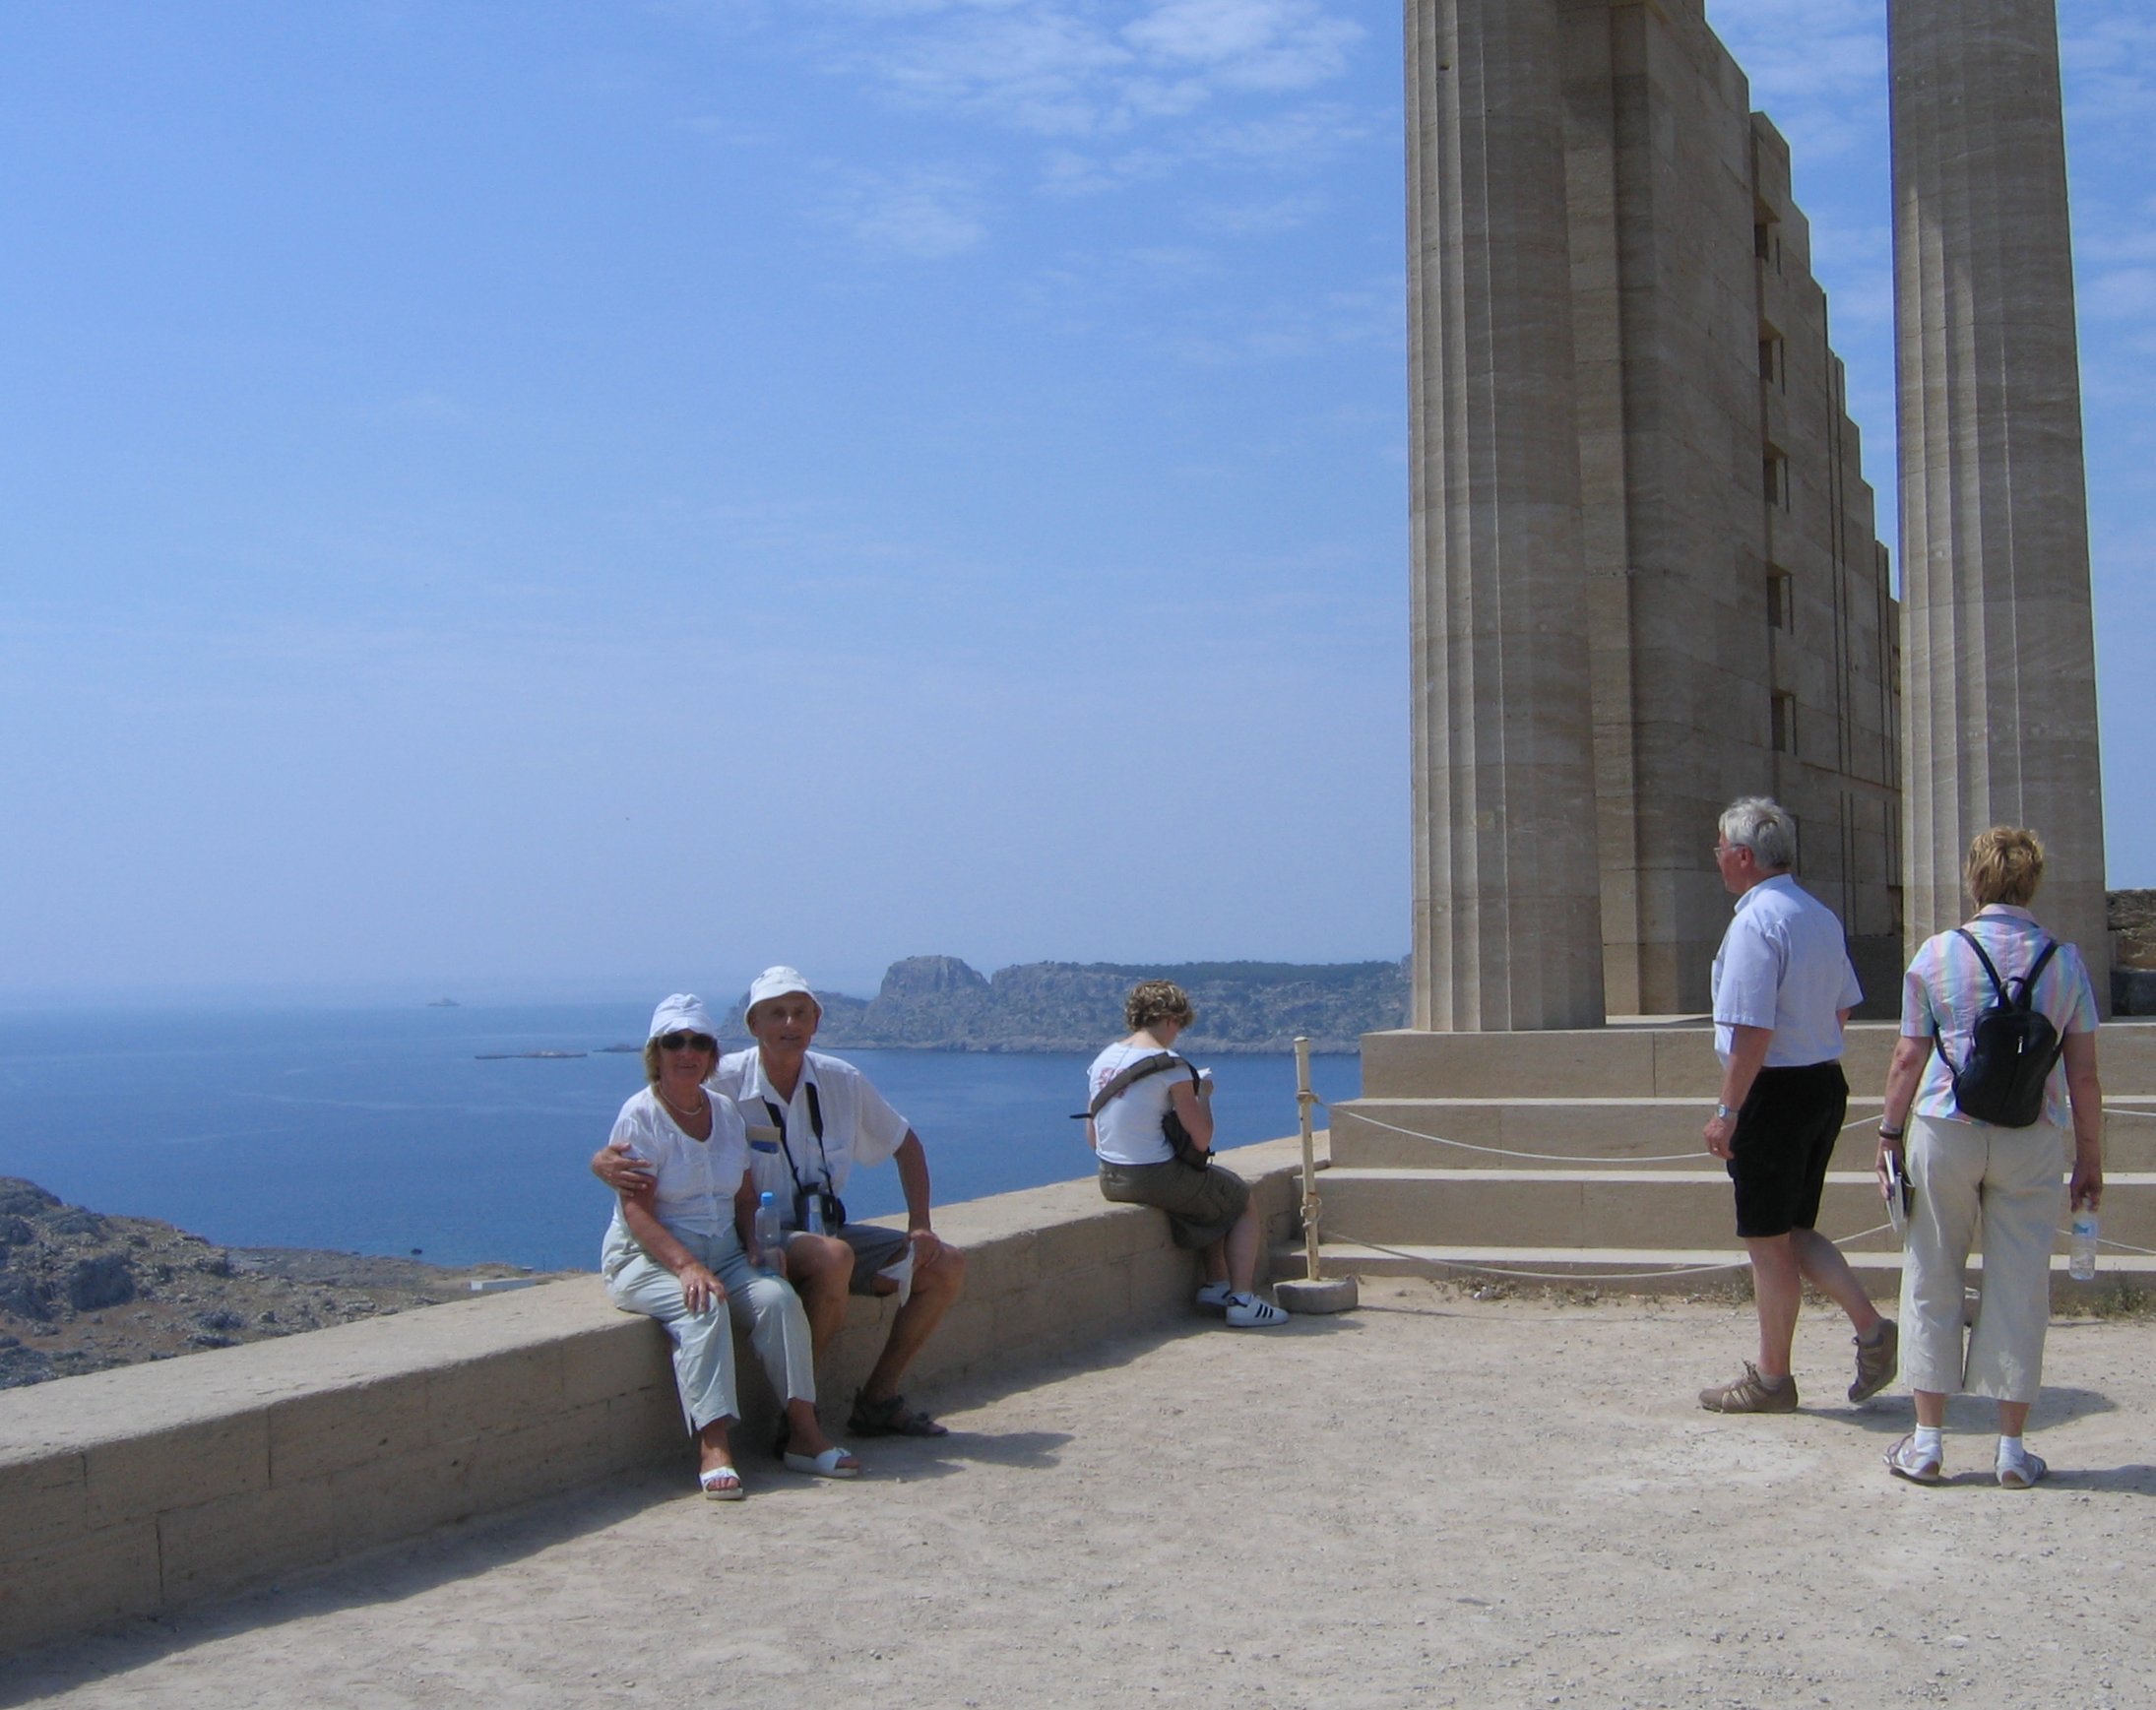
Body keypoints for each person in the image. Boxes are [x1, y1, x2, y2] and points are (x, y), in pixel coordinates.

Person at [598, 968, 968, 1440]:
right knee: (833, 1258)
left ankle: (877, 1399)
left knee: (945, 1265)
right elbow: (658, 1116)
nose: (789, 1023)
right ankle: (797, 1420)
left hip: (824, 1231)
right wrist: (600, 1161)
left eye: (800, 1013)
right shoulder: (722, 1082)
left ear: (816, 1022)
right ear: (753, 1025)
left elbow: (905, 1143)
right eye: (776, 1014)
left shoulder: (842, 1081)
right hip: (762, 1236)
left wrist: (920, 1224)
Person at [1874, 827, 2104, 1488]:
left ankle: (1927, 1441)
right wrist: (2089, 1157)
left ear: (1974, 880)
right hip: (2031, 1131)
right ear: (2033, 881)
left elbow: (1907, 1055)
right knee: (2019, 1283)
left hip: (1946, 1123)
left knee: (1931, 1272)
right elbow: (2084, 1075)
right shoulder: (2065, 962)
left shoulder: (1939, 953)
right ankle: (2010, 1448)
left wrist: (1889, 1134)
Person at [598, 994, 859, 1497]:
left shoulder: (722, 1110)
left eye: (698, 1041)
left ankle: (804, 1433)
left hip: (725, 1249)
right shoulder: (639, 1116)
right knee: (703, 1305)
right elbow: (637, 1212)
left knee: (779, 1299)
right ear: (657, 1051)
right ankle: (714, 1446)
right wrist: (688, 1268)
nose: (687, 1051)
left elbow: (742, 1194)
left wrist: (757, 1247)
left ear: (712, 1052)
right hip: (652, 1257)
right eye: (674, 1041)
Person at [1697, 796, 1897, 1413]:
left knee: (1766, 1239)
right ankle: (1870, 1328)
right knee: (1792, 1230)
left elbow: (1751, 1028)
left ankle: (1773, 1379)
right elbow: (1842, 1005)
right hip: (1822, 1081)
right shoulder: (1818, 914)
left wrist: (1728, 1110)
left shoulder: (1756, 922)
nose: (1716, 858)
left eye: (1720, 848)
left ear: (1744, 855)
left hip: (1774, 1091)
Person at [1086, 980, 1289, 1329]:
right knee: (1240, 1198)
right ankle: (1242, 1299)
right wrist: (1204, 1094)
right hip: (1153, 1177)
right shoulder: (1171, 1067)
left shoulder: (1103, 1061)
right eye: (1179, 1024)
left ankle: (1216, 1285)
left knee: (1209, 1192)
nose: (1177, 1033)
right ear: (1169, 1019)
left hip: (1111, 1177)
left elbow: (1092, 1136)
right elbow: (1201, 1137)